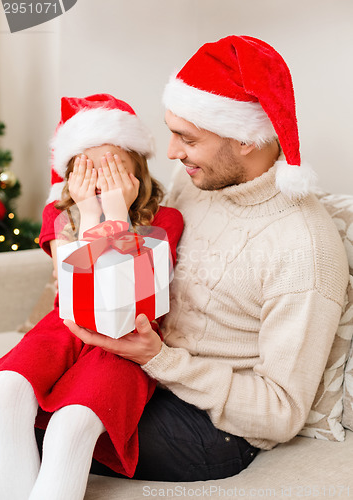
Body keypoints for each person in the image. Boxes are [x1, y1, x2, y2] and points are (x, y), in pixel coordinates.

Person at [65, 36, 350, 483]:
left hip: (213, 427)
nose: (172, 152)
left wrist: (160, 359)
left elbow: (281, 413)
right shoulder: (199, 181)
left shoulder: (303, 250)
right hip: (144, 374)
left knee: (51, 431)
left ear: (245, 140)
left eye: (187, 138)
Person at [0, 93, 184, 500]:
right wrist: (89, 217)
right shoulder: (60, 217)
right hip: (65, 325)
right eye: (87, 168)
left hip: (125, 339)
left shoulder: (167, 219)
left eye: (114, 168)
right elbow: (76, 286)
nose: (101, 181)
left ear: (137, 171)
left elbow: (126, 299)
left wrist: (117, 214)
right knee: (6, 388)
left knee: (74, 420)